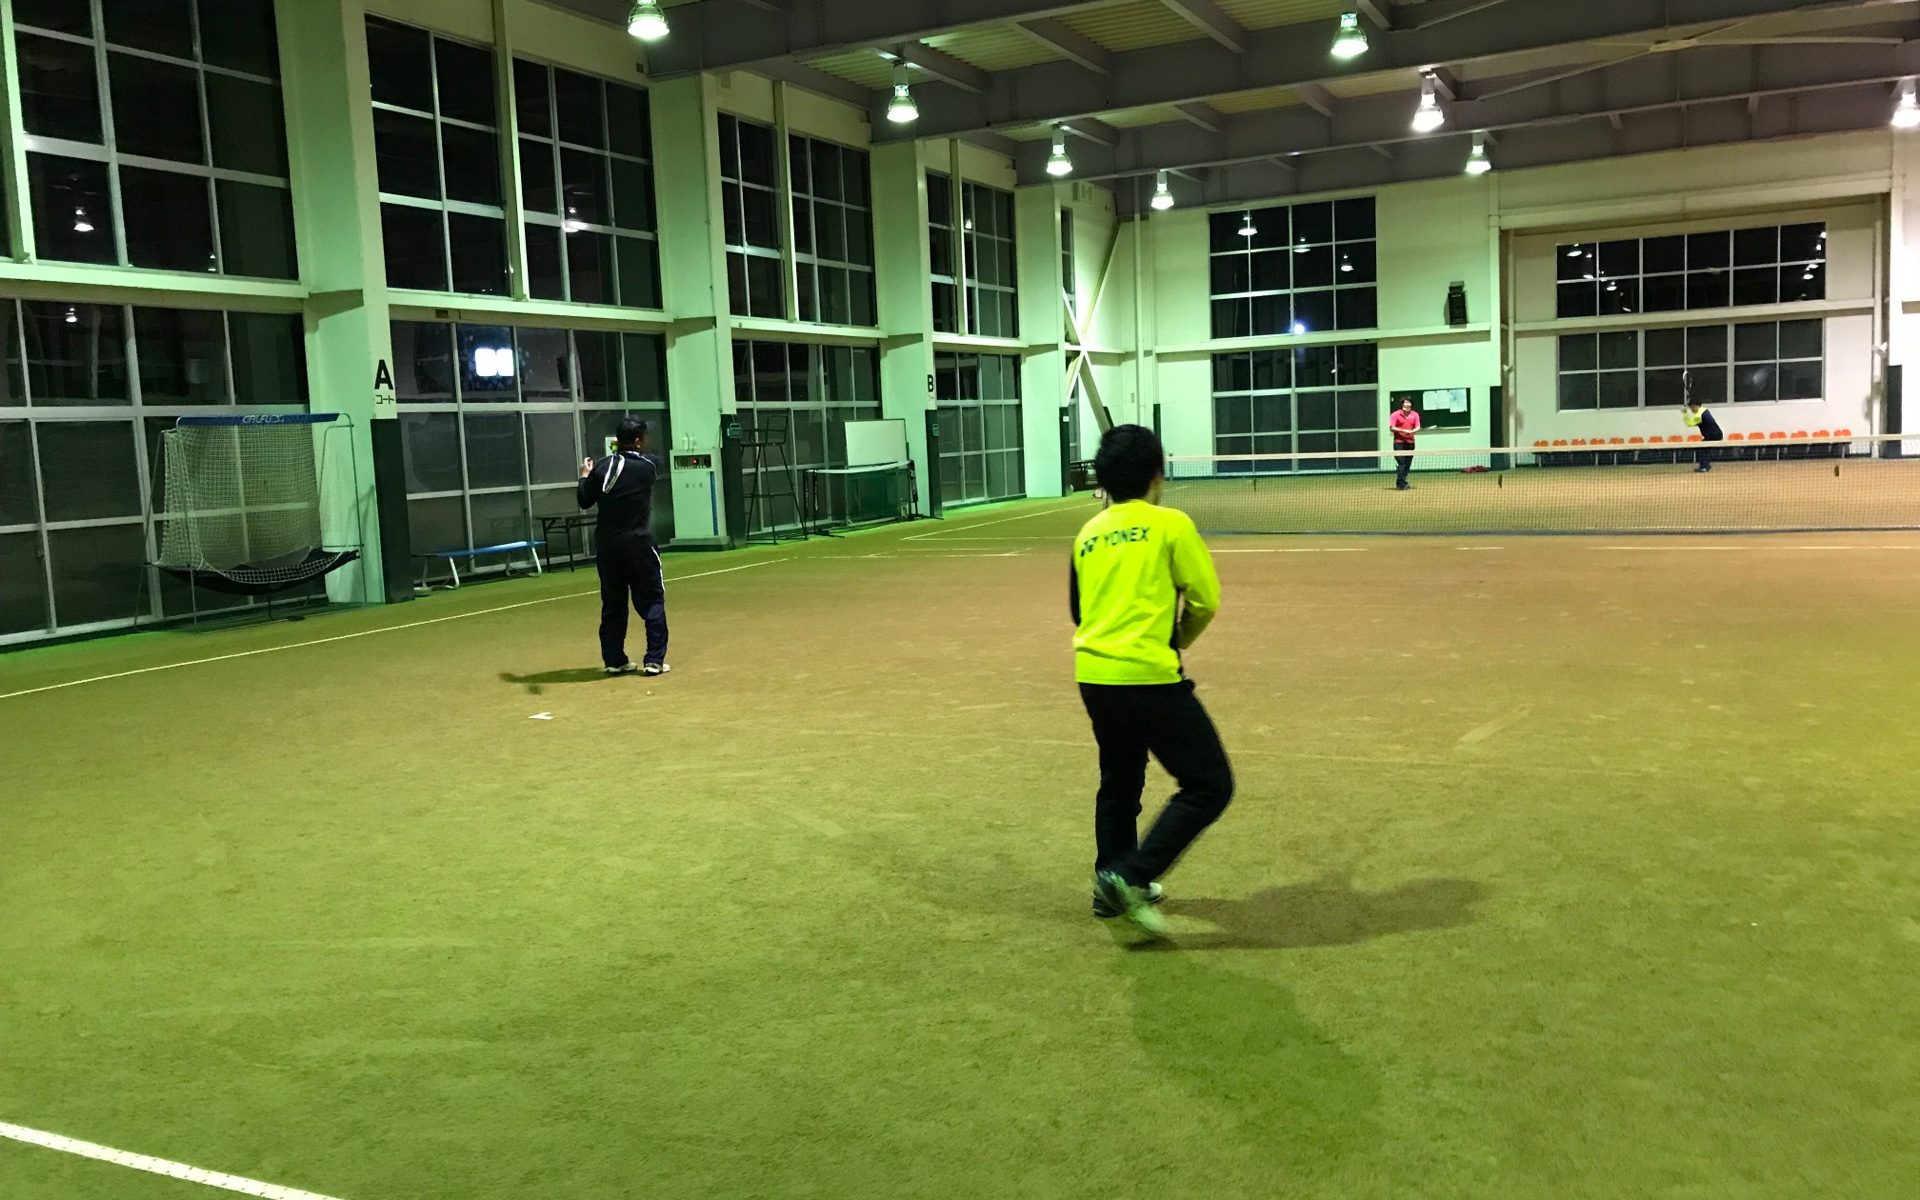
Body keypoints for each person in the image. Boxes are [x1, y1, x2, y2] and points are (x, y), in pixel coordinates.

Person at [1071, 425, 1234, 942]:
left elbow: (1079, 610)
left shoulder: (1087, 534)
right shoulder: (1171, 524)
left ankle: (1109, 885)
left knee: (1119, 779)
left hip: (1095, 676)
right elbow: (1205, 599)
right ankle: (1131, 876)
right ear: (1156, 475)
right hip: (1148, 677)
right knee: (1210, 784)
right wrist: (1177, 639)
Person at [578, 416, 669, 676]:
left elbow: (584, 499)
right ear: (638, 441)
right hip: (638, 544)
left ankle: (615, 659)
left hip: (608, 547)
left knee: (613, 603)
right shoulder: (648, 466)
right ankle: (653, 660)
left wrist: (585, 476)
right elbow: (651, 460)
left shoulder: (603, 467)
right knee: (652, 600)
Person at [1683, 398, 1723, 472]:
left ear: (1696, 406)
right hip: (1716, 434)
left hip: (1713, 435)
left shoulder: (1699, 416)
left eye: (1692, 407)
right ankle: (1705, 465)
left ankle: (1704, 466)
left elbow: (1689, 423)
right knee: (1704, 449)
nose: (1691, 409)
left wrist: (1685, 414)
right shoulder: (1704, 410)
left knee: (1701, 449)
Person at [1390, 397, 1421, 490]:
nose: (1407, 404)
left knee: (1407, 463)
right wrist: (1403, 430)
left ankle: (1402, 481)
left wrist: (1412, 431)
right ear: (1402, 404)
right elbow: (1392, 427)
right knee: (1401, 462)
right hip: (1399, 442)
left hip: (1410, 442)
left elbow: (1418, 427)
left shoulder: (1415, 415)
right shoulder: (1395, 415)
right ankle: (1401, 484)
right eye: (1405, 402)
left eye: (1409, 402)